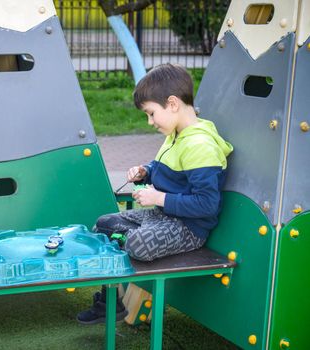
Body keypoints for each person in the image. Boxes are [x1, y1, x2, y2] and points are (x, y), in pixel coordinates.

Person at [77, 63, 233, 324]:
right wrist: (145, 171)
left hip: (188, 228)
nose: (150, 122)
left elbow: (206, 204)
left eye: (151, 113)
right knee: (103, 225)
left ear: (172, 103)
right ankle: (110, 303)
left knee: (136, 243)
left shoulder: (199, 145)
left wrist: (157, 198)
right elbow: (168, 171)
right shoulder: (176, 134)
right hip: (164, 217)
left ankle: (121, 243)